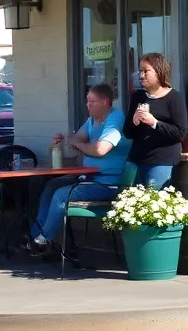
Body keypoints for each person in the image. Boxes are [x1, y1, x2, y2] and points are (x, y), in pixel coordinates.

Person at [24, 83, 129, 256]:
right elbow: (74, 140)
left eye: (92, 101)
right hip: (89, 178)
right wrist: (81, 144)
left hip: (108, 183)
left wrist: (81, 145)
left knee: (61, 194)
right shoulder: (92, 120)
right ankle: (35, 235)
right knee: (52, 185)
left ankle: (43, 241)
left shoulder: (115, 118)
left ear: (105, 102)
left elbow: (100, 149)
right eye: (87, 101)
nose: (87, 105)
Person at [124, 53, 188, 189]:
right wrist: (134, 122)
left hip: (162, 161)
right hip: (136, 160)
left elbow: (181, 132)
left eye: (146, 71)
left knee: (152, 203)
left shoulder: (174, 97)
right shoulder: (138, 96)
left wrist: (154, 123)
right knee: (126, 201)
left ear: (159, 71)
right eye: (140, 71)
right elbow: (127, 133)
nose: (141, 75)